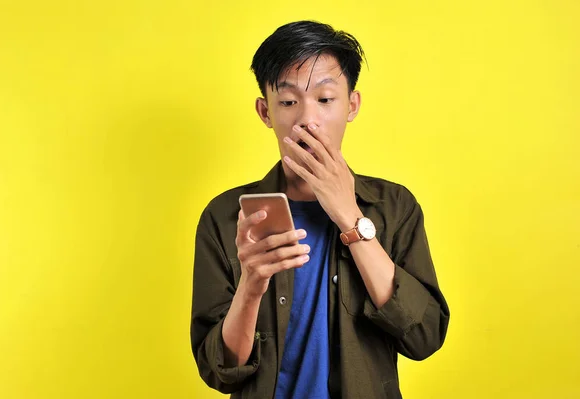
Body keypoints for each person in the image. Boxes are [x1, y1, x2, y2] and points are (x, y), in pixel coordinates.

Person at [190, 20, 449, 399]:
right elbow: (218, 371)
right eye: (289, 102)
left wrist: (350, 216)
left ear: (351, 106)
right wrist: (251, 286)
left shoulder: (395, 207)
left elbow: (425, 336)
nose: (307, 120)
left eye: (325, 100)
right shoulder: (226, 215)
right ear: (265, 112)